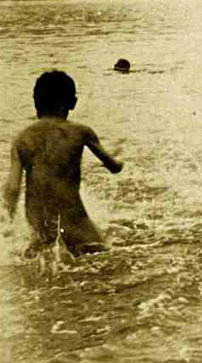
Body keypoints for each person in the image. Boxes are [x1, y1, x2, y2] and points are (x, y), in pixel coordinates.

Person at [3, 71, 123, 258]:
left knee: (39, 268)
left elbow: (12, 188)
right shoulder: (81, 132)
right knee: (103, 259)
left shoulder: (22, 139)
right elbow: (114, 166)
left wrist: (7, 221)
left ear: (35, 102)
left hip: (40, 228)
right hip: (77, 223)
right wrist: (118, 159)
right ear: (72, 103)